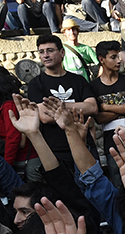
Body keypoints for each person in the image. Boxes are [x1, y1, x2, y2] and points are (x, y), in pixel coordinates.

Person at [24, 33, 99, 170]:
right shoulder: (36, 84)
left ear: (62, 52)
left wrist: (59, 107)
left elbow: (93, 107)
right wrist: (78, 107)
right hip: (57, 149)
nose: (45, 55)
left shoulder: (78, 80)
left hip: (84, 144)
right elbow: (45, 117)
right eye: (41, 52)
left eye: (50, 50)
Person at [92, 40, 125, 160]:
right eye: (113, 57)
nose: (119, 61)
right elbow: (99, 118)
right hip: (111, 139)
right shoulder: (93, 86)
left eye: (118, 56)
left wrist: (107, 107)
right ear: (101, 59)